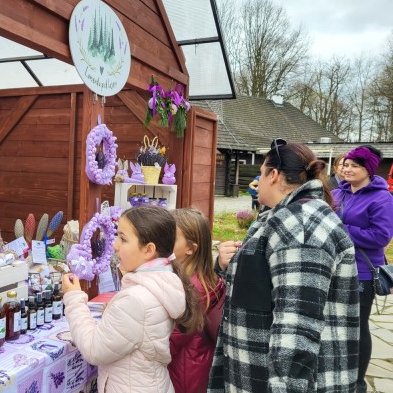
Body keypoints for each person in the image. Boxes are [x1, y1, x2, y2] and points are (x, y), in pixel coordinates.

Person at [208, 140, 360, 392]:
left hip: (277, 380)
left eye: (262, 172)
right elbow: (266, 284)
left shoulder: (301, 226)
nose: (259, 179)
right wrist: (226, 266)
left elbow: (297, 327)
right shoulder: (281, 216)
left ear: (274, 175)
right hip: (255, 371)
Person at [62, 206, 203, 393]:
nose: (115, 245)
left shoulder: (136, 299)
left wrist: (73, 299)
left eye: (123, 238)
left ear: (149, 250)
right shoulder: (164, 279)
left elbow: (94, 349)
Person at [332, 145, 393, 393]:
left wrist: (341, 230)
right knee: (335, 323)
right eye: (345, 164)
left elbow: (381, 236)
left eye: (354, 165)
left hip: (362, 272)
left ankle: (357, 382)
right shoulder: (337, 193)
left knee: (358, 326)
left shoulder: (382, 198)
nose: (347, 169)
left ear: (367, 169)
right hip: (335, 267)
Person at [168, 208, 225, 393]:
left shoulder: (192, 289)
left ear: (190, 249)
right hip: (195, 370)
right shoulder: (200, 280)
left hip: (184, 375)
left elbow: (170, 343)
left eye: (171, 237)